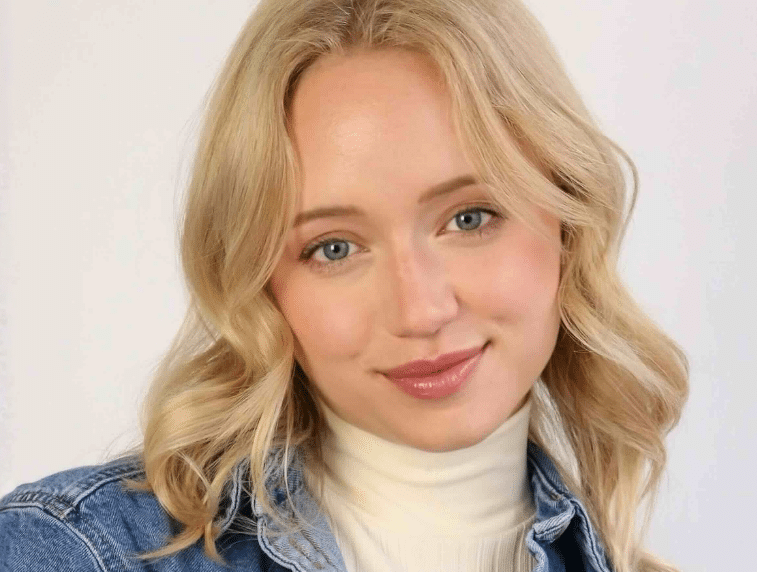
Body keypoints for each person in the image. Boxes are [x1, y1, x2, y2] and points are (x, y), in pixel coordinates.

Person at [0, 0, 689, 571]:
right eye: (334, 248)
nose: (421, 310)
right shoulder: (77, 552)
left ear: (568, 216)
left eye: (469, 218)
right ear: (261, 285)